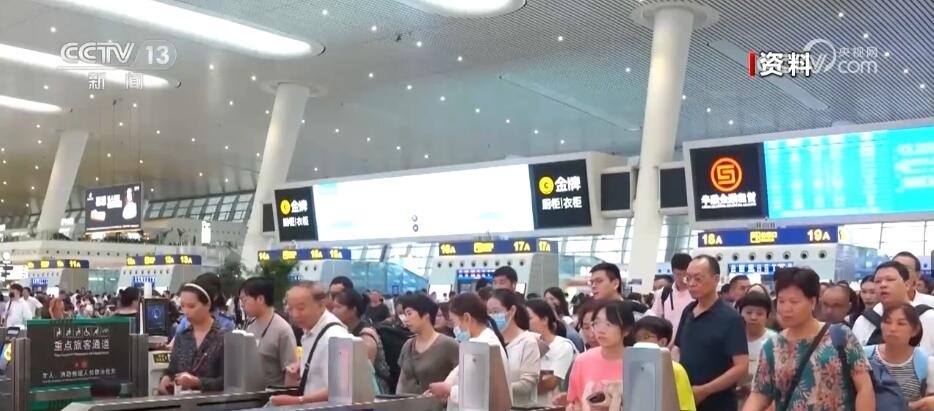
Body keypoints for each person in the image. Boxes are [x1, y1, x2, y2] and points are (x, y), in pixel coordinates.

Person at [743, 267, 874, 411]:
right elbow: (759, 395)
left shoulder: (840, 335)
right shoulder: (772, 346)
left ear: (812, 302)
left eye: (794, 302)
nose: (786, 308)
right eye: (781, 301)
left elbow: (864, 388)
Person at [673, 255, 748, 411]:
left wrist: (705, 390)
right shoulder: (688, 311)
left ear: (715, 279)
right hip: (686, 400)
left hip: (718, 403)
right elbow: (678, 349)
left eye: (698, 279)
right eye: (688, 278)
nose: (692, 284)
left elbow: (741, 367)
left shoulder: (731, 318)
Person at [269, 281, 350, 406]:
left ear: (321, 305)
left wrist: (296, 401)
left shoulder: (336, 337)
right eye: (290, 309)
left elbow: (341, 390)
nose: (294, 314)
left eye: (301, 308)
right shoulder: (310, 331)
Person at [427, 293, 509, 410]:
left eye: (454, 322)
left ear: (466, 318)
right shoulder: (478, 342)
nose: (454, 328)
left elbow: (478, 393)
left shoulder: (482, 345)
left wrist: (448, 390)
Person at [157, 280, 226, 394]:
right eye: (182, 306)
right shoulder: (182, 337)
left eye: (191, 306)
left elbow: (227, 381)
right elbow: (172, 370)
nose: (186, 311)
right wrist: (166, 378)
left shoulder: (223, 338)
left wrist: (197, 382)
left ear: (207, 305)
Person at [853, 261, 934, 354]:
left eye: (890, 279)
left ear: (907, 285)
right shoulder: (863, 320)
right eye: (878, 281)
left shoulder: (929, 317)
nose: (883, 285)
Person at [562, 301, 630, 409]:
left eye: (609, 324)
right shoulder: (582, 361)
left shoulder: (638, 364)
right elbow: (575, 402)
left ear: (626, 330)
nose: (601, 330)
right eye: (597, 323)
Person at [864, 303, 934, 407]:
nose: (893, 328)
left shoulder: (926, 363)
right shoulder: (863, 356)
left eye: (901, 324)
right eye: (887, 322)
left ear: (915, 330)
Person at [330, 289, 393, 393]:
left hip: (375, 391)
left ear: (353, 310)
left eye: (338, 307)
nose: (333, 312)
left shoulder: (366, 335)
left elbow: (364, 373)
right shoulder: (344, 330)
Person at [239, 277, 297, 388]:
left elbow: (291, 371)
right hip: (250, 390)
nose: (242, 305)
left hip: (272, 392)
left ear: (260, 299)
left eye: (244, 300)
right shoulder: (250, 325)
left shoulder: (282, 330)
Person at [396, 294, 459, 395]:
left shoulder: (448, 345)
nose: (406, 319)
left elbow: (461, 377)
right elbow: (402, 381)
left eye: (409, 313)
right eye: (405, 315)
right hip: (406, 403)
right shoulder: (408, 345)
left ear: (426, 315)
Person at [488, 288, 541, 406]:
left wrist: (494, 390)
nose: (491, 316)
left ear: (512, 311)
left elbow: (527, 384)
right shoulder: (490, 340)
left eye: (495, 312)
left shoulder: (527, 342)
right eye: (489, 313)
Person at [631, 316, 697, 411]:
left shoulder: (675, 369)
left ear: (662, 342)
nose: (640, 342)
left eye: (646, 337)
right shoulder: (635, 368)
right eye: (638, 338)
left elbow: (686, 406)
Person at [526, 298, 577, 403]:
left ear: (544, 320)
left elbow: (551, 383)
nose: (524, 323)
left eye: (529, 318)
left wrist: (518, 387)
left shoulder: (562, 346)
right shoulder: (524, 344)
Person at [734, 291, 776, 403]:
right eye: (748, 312)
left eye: (759, 313)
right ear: (740, 313)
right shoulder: (732, 338)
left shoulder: (774, 340)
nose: (753, 317)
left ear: (767, 316)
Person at [173, 273, 235, 339]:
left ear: (215, 296)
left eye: (202, 294)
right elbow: (176, 341)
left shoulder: (226, 323)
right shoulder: (186, 319)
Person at [653, 253, 694, 342]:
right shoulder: (663, 293)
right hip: (668, 345)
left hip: (691, 344)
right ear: (672, 272)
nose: (682, 278)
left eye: (686, 274)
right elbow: (655, 319)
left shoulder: (696, 292)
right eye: (678, 274)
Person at [543, 287, 586, 352]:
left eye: (552, 299)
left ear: (560, 300)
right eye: (546, 299)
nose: (549, 302)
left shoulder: (567, 320)